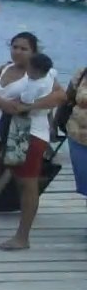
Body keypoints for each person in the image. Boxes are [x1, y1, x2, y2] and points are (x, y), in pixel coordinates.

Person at [0, 33, 68, 250]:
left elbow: (60, 96)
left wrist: (28, 107)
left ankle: (22, 236)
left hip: (28, 133)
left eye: (24, 48)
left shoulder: (43, 74)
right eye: (15, 47)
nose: (18, 52)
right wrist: (6, 105)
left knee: (26, 183)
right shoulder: (3, 69)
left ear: (33, 52)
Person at [64, 66, 87, 199]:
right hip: (77, 137)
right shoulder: (82, 73)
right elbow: (67, 98)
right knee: (85, 186)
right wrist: (53, 125)